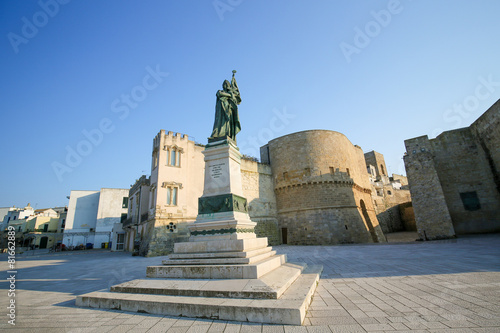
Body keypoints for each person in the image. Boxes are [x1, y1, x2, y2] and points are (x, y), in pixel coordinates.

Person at [209, 71, 241, 142]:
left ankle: (227, 134)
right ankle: (216, 135)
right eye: (224, 84)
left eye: (226, 84)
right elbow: (219, 94)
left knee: (227, 123)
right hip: (220, 110)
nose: (224, 85)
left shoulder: (229, 93)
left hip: (227, 110)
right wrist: (230, 94)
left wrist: (231, 93)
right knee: (218, 123)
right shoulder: (220, 91)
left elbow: (235, 100)